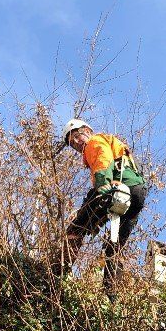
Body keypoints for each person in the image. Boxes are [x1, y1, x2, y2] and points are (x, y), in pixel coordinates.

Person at [56, 119, 148, 294]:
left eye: (77, 136)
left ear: (87, 131)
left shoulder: (95, 141)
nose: (76, 143)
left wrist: (102, 186)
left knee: (76, 229)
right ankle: (111, 296)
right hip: (134, 195)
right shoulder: (118, 148)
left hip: (118, 188)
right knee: (114, 246)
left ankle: (56, 276)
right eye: (71, 142)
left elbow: (102, 159)